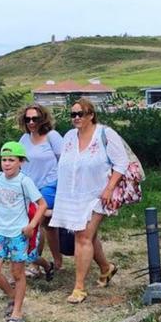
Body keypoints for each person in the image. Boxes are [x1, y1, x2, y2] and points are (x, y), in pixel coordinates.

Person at [50, 98, 128, 304]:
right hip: (71, 194)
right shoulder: (68, 137)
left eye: (80, 114)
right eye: (73, 114)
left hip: (97, 194)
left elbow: (121, 162)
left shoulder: (105, 134)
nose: (76, 118)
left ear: (91, 115)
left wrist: (109, 188)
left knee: (83, 237)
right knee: (87, 236)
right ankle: (106, 268)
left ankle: (79, 287)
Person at [0, 141, 50, 322]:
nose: (7, 164)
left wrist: (32, 225)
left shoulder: (24, 181)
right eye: (4, 160)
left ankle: (17, 312)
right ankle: (13, 296)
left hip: (17, 235)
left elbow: (42, 205)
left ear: (21, 162)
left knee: (17, 273)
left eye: (11, 160)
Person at [17, 104, 64, 275]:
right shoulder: (24, 139)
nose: (31, 122)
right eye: (27, 119)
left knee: (36, 220)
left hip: (49, 184)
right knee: (49, 226)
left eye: (35, 118)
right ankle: (57, 260)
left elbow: (63, 160)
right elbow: (19, 162)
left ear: (42, 119)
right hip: (30, 186)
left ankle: (35, 263)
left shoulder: (52, 136)